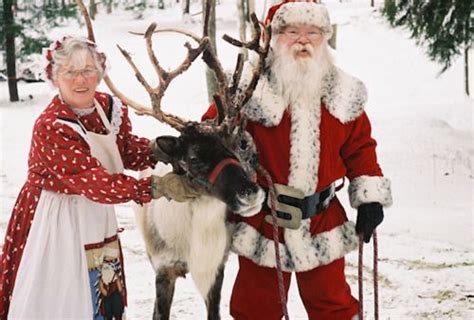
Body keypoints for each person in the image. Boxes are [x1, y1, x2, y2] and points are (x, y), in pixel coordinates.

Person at [203, 1, 393, 319]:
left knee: (333, 307)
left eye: (313, 32)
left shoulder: (342, 93)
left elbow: (360, 148)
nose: (303, 40)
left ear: (324, 38)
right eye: (292, 32)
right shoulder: (247, 91)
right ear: (273, 38)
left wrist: (369, 199)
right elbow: (212, 139)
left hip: (322, 220)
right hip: (263, 221)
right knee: (254, 309)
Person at [0, 36, 200, 319]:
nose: (80, 80)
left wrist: (158, 150)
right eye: (70, 72)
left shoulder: (107, 107)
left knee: (100, 285)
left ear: (100, 73)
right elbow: (95, 182)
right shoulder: (51, 125)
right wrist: (158, 186)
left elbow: (124, 150)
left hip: (96, 212)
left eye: (88, 70)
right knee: (65, 291)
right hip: (56, 217)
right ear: (55, 77)